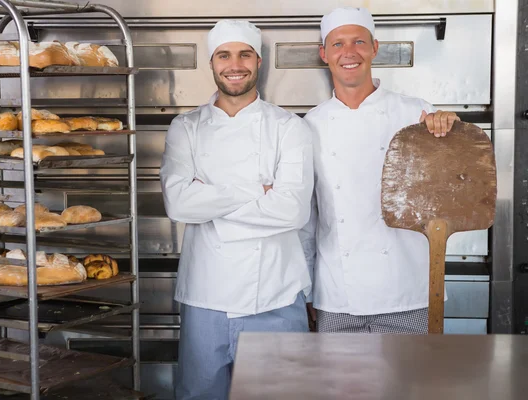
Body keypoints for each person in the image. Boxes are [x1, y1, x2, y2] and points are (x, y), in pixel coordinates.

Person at [160, 19, 314, 400]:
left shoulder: (289, 127)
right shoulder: (186, 127)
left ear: (258, 61)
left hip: (276, 294)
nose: (235, 64)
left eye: (245, 54)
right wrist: (257, 190)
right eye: (224, 55)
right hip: (205, 296)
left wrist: (209, 200)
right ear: (211, 63)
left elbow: (292, 210)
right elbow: (178, 203)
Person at [300, 7, 460, 334]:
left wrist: (452, 132)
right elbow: (307, 219)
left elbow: (455, 187)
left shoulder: (417, 113)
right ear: (324, 54)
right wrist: (306, 290)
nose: (349, 53)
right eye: (338, 44)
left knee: (411, 385)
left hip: (409, 291)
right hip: (336, 295)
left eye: (359, 42)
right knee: (340, 386)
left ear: (374, 48)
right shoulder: (309, 125)